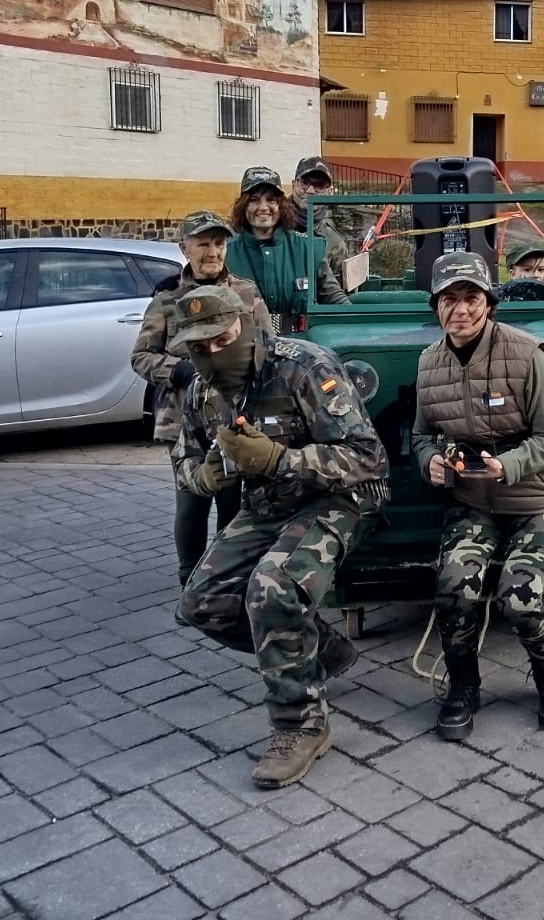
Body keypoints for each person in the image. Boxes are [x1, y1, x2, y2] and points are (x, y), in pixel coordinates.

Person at [172, 284, 388, 788]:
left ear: (243, 326)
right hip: (268, 504)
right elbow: (184, 461)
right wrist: (205, 478)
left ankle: (300, 724)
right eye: (198, 346)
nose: (212, 353)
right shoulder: (204, 392)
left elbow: (367, 458)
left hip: (339, 499)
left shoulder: (302, 367)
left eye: (221, 337)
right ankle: (319, 650)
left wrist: (279, 459)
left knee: (271, 588)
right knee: (201, 604)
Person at [412, 252, 544, 742]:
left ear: (489, 304)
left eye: (471, 299)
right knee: (453, 589)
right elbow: (421, 436)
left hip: (539, 497)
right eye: (449, 300)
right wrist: (430, 462)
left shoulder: (530, 355)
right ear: (436, 307)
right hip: (474, 498)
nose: (460, 310)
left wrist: (508, 465)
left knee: (519, 599)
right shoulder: (429, 363)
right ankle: (464, 686)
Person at [130, 210, 274, 585]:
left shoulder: (245, 291)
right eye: (203, 244)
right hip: (183, 418)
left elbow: (268, 346)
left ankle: (229, 573)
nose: (212, 252)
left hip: (234, 414)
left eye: (219, 243)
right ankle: (189, 577)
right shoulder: (167, 296)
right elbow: (141, 356)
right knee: (192, 499)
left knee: (234, 500)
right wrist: (178, 371)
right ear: (184, 248)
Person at [225, 166, 350, 331]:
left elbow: (336, 299)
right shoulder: (226, 253)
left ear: (281, 205)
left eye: (271, 200)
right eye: (254, 200)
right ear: (243, 206)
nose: (263, 207)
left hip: (301, 345)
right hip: (245, 348)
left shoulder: (307, 248)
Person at [287, 155, 351, 284]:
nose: (310, 191)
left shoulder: (335, 243)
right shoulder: (270, 223)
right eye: (304, 183)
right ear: (294, 184)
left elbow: (335, 293)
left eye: (319, 185)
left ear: (330, 191)